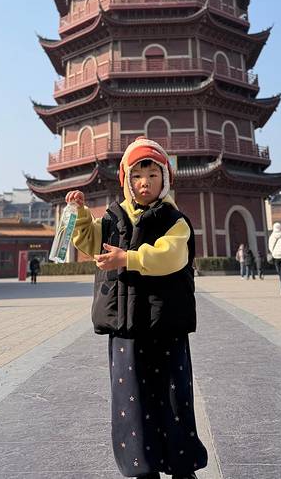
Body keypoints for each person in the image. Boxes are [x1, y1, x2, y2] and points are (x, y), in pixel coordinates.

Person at [66, 136, 208, 479]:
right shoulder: (112, 217)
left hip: (164, 324)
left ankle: (182, 467)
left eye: (153, 175)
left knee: (173, 397)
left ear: (165, 179)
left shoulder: (174, 220)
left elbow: (172, 256)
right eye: (137, 176)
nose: (145, 182)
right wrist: (81, 214)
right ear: (126, 180)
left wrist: (127, 258)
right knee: (131, 400)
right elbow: (90, 241)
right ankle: (141, 468)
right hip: (125, 326)